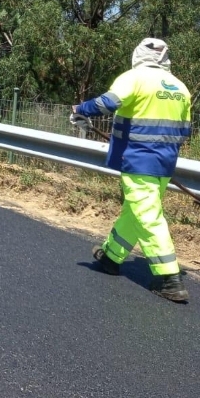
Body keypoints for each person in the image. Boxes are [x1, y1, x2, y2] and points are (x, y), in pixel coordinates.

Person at [73, 38, 192, 303]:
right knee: (136, 211)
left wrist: (80, 109)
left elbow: (107, 103)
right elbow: (185, 131)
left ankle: (169, 278)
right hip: (164, 162)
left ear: (138, 55)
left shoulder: (133, 78)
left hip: (138, 160)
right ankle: (111, 257)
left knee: (148, 216)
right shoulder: (181, 88)